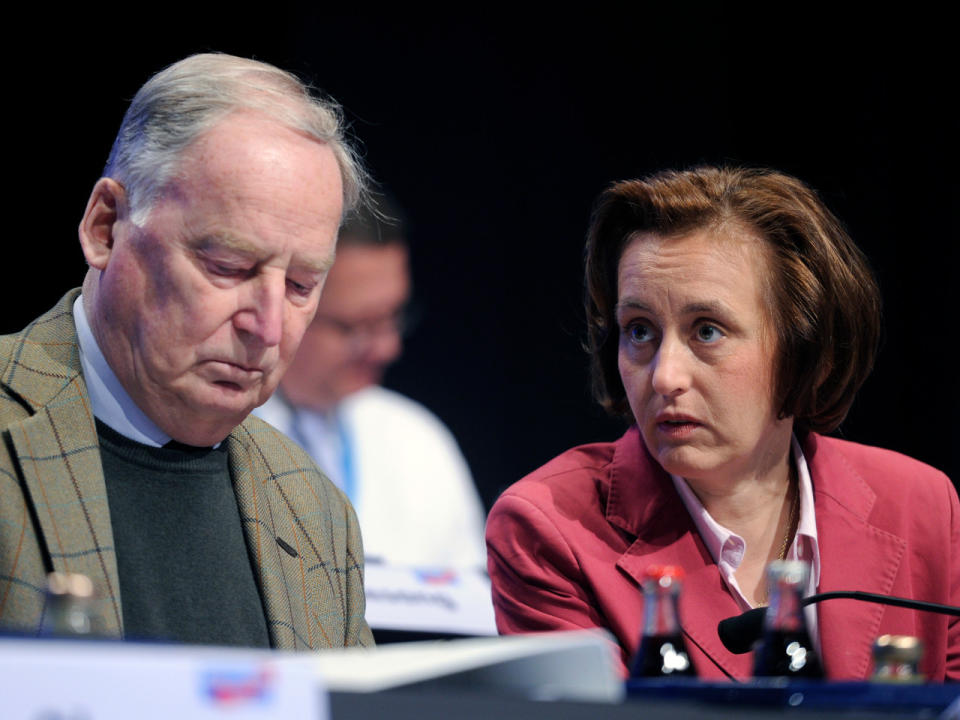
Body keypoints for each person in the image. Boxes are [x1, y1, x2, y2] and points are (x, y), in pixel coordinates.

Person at [486, 167, 959, 681]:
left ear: (806, 350)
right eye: (639, 330)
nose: (664, 375)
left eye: (707, 331)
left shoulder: (920, 506)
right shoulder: (549, 531)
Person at [0, 53, 373, 650]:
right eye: (227, 266)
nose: (269, 326)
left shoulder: (315, 509)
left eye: (302, 285)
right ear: (106, 226)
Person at [255, 200, 487, 569]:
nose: (389, 347)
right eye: (358, 327)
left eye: (393, 316)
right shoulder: (221, 432)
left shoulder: (419, 440)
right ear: (291, 303)